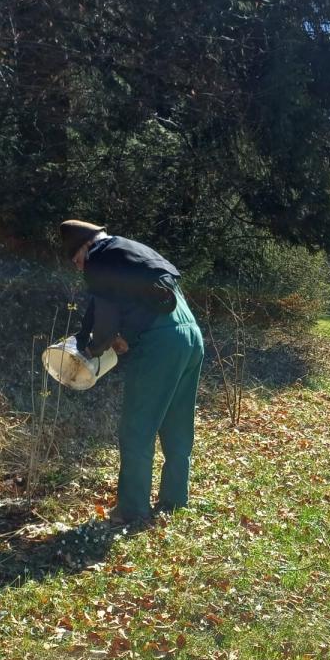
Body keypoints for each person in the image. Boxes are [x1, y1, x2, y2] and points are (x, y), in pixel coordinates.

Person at [60, 220, 205, 525]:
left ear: (85, 246)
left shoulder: (99, 257)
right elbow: (110, 306)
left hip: (160, 344)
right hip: (190, 335)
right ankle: (175, 498)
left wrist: (91, 351)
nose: (78, 267)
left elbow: (106, 315)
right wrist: (92, 335)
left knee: (137, 428)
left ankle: (132, 509)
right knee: (177, 420)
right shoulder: (128, 250)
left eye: (76, 260)